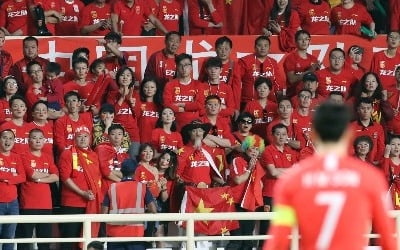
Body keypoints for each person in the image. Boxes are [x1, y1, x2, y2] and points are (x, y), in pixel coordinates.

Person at [264, 102, 396, 250]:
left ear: (313, 134)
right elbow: (388, 237)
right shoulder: (370, 178)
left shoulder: (293, 181)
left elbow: (278, 240)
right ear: (348, 134)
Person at [59, 126, 102, 250]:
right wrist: (82, 193)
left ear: (90, 138)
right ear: (74, 138)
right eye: (79, 136)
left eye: (85, 136)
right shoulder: (67, 153)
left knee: (87, 241)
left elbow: (98, 179)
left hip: (91, 203)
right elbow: (65, 178)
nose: (82, 139)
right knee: (69, 240)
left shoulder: (94, 155)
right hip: (72, 203)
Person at [16, 128, 59, 250]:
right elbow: (32, 175)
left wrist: (39, 179)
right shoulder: (23, 156)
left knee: (44, 242)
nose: (38, 141)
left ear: (44, 141)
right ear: (29, 141)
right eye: (34, 138)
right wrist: (45, 176)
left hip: (46, 205)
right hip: (28, 205)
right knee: (24, 242)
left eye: (40, 138)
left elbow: (55, 177)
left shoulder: (48, 157)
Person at [103, 158, 157, 250]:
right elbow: (153, 210)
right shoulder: (142, 187)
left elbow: (103, 214)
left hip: (114, 235)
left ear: (121, 171)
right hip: (135, 234)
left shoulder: (112, 188)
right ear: (135, 171)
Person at [260, 123, 299, 246]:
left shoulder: (290, 151)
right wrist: (288, 171)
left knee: (285, 226)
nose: (281, 137)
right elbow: (273, 172)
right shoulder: (267, 150)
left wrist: (280, 170)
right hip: (270, 194)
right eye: (278, 134)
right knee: (268, 228)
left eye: (284, 134)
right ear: (272, 136)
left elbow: (295, 172)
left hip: (286, 196)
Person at [226, 135, 265, 250]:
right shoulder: (237, 160)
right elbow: (238, 180)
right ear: (246, 148)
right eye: (252, 148)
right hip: (236, 204)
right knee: (236, 241)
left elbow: (260, 184)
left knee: (248, 243)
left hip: (249, 205)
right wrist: (249, 169)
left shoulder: (257, 164)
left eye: (257, 149)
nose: (254, 151)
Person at [238, 36, 285, 108]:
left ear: (269, 48)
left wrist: (280, 98)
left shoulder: (273, 62)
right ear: (255, 47)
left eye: (265, 45)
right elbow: (237, 81)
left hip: (269, 103)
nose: (263, 48)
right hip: (248, 102)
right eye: (259, 45)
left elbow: (277, 83)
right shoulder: (245, 61)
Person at [0, 129, 26, 250]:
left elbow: (22, 177)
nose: (8, 141)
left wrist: (7, 179)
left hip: (13, 203)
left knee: (9, 237)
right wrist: (12, 177)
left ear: (14, 141)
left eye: (11, 138)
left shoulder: (16, 157)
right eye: (5, 137)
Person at [162, 53, 202, 130]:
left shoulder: (198, 84)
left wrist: (182, 105)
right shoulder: (170, 85)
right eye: (181, 65)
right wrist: (182, 109)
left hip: (194, 126)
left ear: (191, 67)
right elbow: (167, 104)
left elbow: (200, 105)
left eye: (187, 65)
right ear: (177, 67)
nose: (184, 68)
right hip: (174, 125)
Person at [283, 30, 321, 97]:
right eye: (301, 39)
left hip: (310, 96)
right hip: (294, 95)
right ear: (295, 42)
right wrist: (309, 71)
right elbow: (292, 80)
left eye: (306, 39)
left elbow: (316, 81)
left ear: (310, 41)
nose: (304, 41)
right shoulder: (290, 58)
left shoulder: (313, 59)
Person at [349, 97, 385, 165]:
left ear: (372, 110)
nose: (365, 111)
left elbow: (381, 146)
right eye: (363, 108)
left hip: (373, 163)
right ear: (358, 110)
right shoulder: (351, 126)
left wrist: (377, 160)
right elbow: (349, 146)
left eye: (368, 108)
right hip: (356, 163)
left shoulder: (378, 127)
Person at [136, 77, 162, 144]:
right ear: (142, 88)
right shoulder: (138, 103)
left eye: (152, 87)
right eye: (146, 87)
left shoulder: (161, 106)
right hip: (140, 141)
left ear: (156, 89)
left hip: (156, 142)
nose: (149, 89)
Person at [382, 135, 400, 210]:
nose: (396, 147)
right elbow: (384, 175)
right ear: (388, 147)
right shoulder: (386, 160)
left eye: (399, 144)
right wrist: (386, 155)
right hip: (389, 196)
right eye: (393, 144)